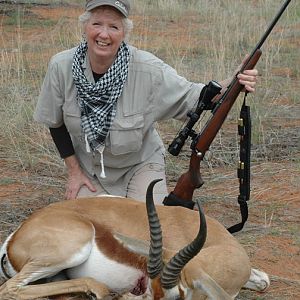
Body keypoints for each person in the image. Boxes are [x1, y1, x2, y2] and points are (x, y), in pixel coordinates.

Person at [34, 0, 258, 204]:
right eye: (97, 24)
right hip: (90, 170)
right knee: (92, 229)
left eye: (114, 27)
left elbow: (198, 97)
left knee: (149, 230)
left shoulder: (149, 69)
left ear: (124, 33)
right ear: (84, 26)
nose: (104, 34)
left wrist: (235, 79)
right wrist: (74, 173)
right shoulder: (60, 66)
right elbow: (54, 122)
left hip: (140, 165)